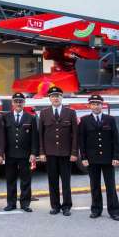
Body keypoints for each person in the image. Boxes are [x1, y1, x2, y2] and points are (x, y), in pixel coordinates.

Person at [79, 94, 119, 221]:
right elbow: (82, 141)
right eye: (93, 104)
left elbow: (115, 139)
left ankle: (114, 211)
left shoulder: (110, 119)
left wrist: (116, 156)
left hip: (108, 159)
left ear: (102, 105)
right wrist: (84, 157)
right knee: (95, 186)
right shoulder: (85, 120)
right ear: (89, 106)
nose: (96, 106)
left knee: (110, 186)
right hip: (92, 159)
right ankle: (96, 209)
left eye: (98, 104)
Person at [39, 86, 78, 216]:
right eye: (53, 96)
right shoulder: (44, 113)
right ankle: (55, 206)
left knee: (66, 181)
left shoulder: (70, 113)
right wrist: (42, 152)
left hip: (65, 154)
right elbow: (41, 135)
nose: (55, 98)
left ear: (62, 97)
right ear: (49, 98)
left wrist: (74, 153)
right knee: (53, 181)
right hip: (50, 154)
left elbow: (75, 135)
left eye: (58, 96)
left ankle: (66, 206)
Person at [2, 92, 38, 212]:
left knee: (25, 180)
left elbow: (34, 137)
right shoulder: (6, 117)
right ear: (12, 103)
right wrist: (2, 152)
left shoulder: (31, 118)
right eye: (16, 101)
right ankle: (11, 203)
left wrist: (33, 153)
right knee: (10, 180)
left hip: (25, 154)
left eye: (20, 101)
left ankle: (25, 203)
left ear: (24, 103)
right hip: (10, 154)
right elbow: (3, 137)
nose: (18, 103)